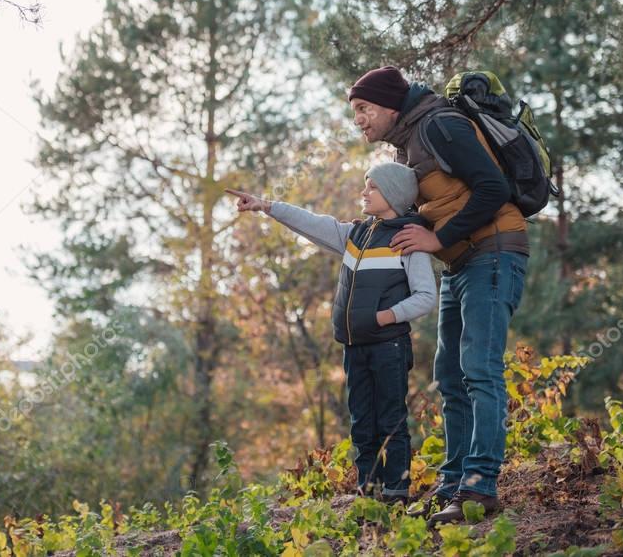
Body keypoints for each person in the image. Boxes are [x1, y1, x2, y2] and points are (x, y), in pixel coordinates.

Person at [346, 65, 529, 525]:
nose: (359, 120)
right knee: (448, 374)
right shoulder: (411, 142)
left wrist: (433, 236)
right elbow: (446, 201)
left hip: (495, 250)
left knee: (479, 369)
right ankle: (453, 483)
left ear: (390, 105)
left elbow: (493, 187)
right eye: (355, 112)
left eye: (364, 109)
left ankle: (480, 486)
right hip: (461, 260)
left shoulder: (440, 125)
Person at [225, 162, 437, 503]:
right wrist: (266, 206)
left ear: (393, 195)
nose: (364, 192)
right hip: (354, 348)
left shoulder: (406, 240)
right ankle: (367, 494)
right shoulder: (356, 235)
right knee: (361, 424)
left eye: (372, 187)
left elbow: (427, 296)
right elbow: (312, 223)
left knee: (391, 421)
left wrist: (386, 316)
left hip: (389, 347)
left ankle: (397, 495)